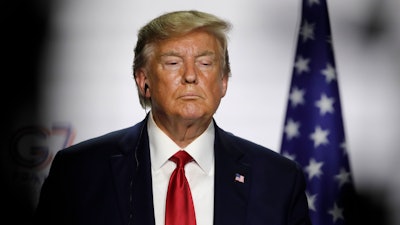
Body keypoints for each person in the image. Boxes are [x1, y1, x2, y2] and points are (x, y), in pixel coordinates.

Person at [33, 10, 311, 225]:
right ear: (144, 81)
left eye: (205, 63)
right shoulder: (79, 172)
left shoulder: (279, 179)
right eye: (173, 63)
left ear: (224, 81)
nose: (191, 76)